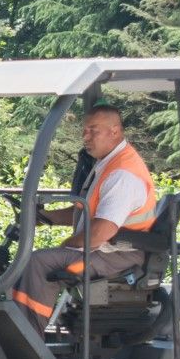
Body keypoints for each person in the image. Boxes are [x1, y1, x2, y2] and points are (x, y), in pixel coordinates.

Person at [14, 103, 157, 331]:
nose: (85, 137)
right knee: (39, 259)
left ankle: (26, 339)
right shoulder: (107, 163)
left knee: (39, 263)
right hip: (105, 251)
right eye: (84, 130)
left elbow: (101, 231)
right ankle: (21, 330)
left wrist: (67, 246)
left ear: (115, 131)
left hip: (117, 256)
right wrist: (45, 217)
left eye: (93, 130)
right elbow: (86, 212)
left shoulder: (122, 174)